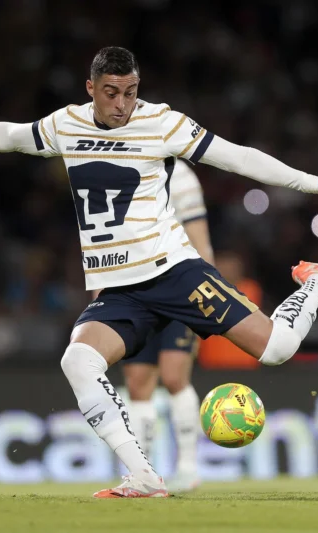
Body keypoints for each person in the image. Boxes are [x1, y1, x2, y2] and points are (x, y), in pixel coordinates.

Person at [0, 46, 318, 498]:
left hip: (174, 272)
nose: (122, 105)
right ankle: (144, 477)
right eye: (111, 93)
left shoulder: (162, 123)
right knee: (77, 360)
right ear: (91, 89)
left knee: (276, 348)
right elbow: (12, 136)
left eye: (130, 93)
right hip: (118, 291)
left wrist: (315, 183)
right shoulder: (65, 125)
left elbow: (237, 157)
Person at [102, 159, 213, 493]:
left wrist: (207, 293)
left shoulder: (179, 175)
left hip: (180, 286)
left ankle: (189, 468)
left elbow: (199, 238)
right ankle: (142, 469)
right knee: (137, 383)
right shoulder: (110, 171)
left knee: (174, 375)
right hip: (132, 288)